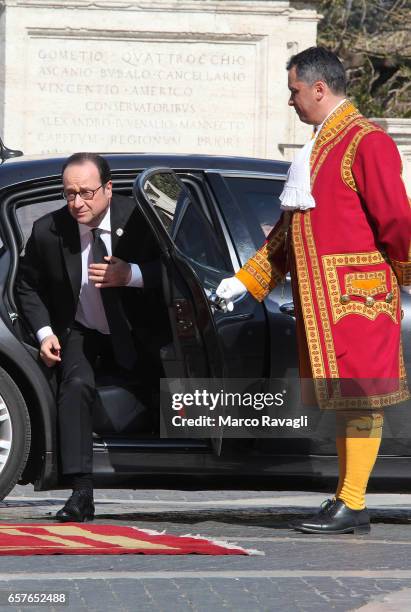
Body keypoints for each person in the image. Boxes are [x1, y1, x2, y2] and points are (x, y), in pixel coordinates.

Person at [217, 47, 411, 534]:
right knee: (348, 401)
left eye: (294, 91)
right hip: (328, 304)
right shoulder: (318, 147)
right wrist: (245, 280)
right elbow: (288, 233)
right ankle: (347, 500)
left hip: (360, 299)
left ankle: (353, 501)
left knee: (362, 397)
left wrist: (406, 278)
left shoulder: (368, 142)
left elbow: (397, 221)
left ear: (319, 89)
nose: (291, 101)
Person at [17, 153, 169, 522]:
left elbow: (175, 271)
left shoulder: (141, 219)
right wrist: (44, 333)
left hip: (137, 333)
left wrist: (129, 275)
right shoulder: (48, 231)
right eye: (69, 194)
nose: (77, 203)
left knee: (156, 396)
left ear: (108, 188)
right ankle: (81, 491)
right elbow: (26, 286)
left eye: (86, 192)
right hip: (81, 329)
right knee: (75, 387)